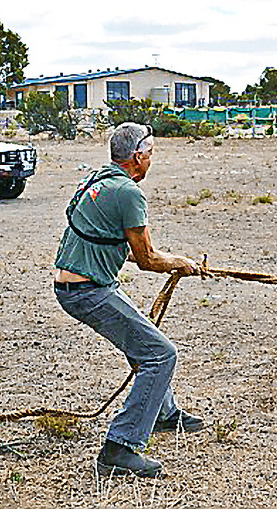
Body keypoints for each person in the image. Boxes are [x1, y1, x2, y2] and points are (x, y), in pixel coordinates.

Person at [53, 122, 204, 478]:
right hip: (88, 292)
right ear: (138, 157)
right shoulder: (129, 194)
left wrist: (173, 262)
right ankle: (119, 448)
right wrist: (180, 263)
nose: (152, 159)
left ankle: (163, 413)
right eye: (150, 153)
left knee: (146, 342)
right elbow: (147, 259)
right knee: (160, 353)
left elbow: (129, 251)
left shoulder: (97, 179)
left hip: (78, 284)